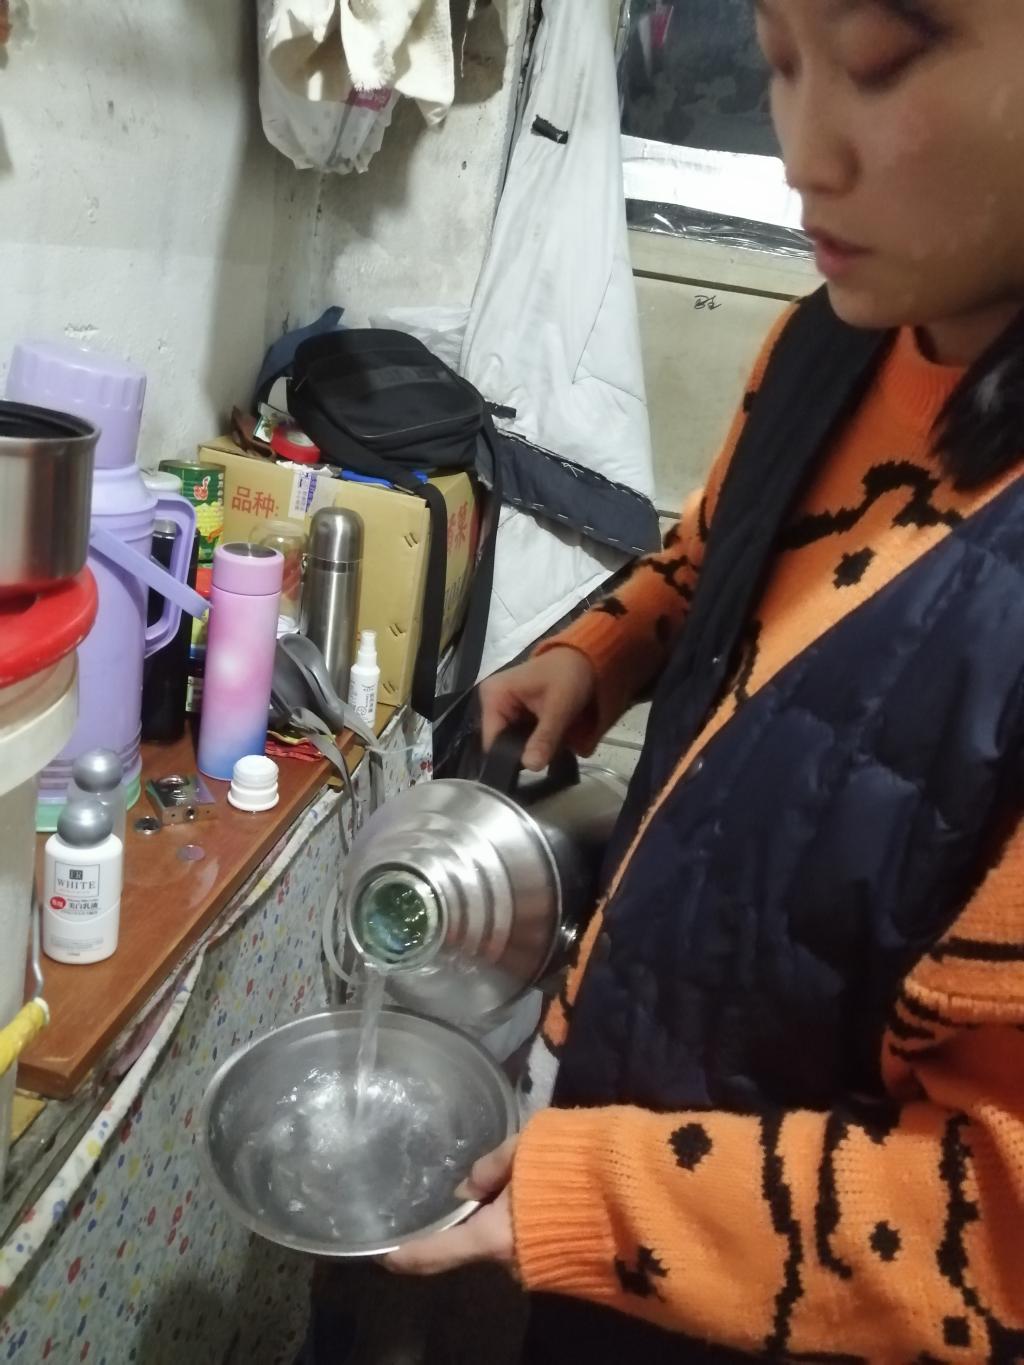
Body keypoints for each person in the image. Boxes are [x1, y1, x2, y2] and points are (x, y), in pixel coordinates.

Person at [385, 0, 1024, 1359]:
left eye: (878, 63)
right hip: (626, 1132)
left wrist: (607, 1201)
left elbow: (999, 1226)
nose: (801, 147)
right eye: (780, 60)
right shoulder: (826, 344)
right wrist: (601, 651)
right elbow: (713, 553)